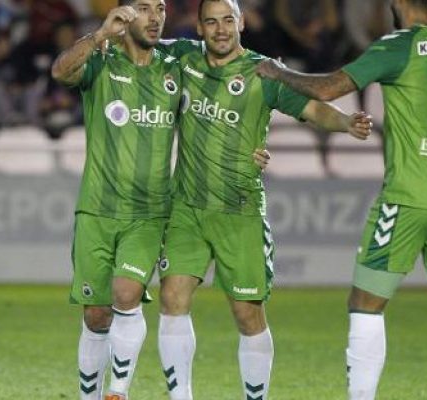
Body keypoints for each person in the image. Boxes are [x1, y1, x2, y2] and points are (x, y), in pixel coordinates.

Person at [256, 0, 427, 399]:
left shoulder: (398, 45)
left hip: (411, 190)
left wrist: (278, 72)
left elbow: (331, 87)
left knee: (365, 303)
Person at [139, 1, 372, 399]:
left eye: (227, 20)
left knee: (248, 315)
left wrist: (346, 122)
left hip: (240, 211)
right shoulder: (183, 57)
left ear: (242, 22)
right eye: (210, 22)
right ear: (199, 26)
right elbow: (140, 48)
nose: (220, 29)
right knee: (172, 296)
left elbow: (312, 108)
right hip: (187, 209)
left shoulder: (263, 71)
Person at [51, 2, 269, 399]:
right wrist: (100, 34)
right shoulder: (102, 60)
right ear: (124, 13)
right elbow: (60, 72)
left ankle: (117, 391)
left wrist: (251, 146)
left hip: (150, 212)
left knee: (126, 293)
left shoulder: (176, 64)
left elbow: (221, 92)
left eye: (161, 9)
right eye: (144, 8)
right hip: (97, 208)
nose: (154, 17)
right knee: (96, 315)